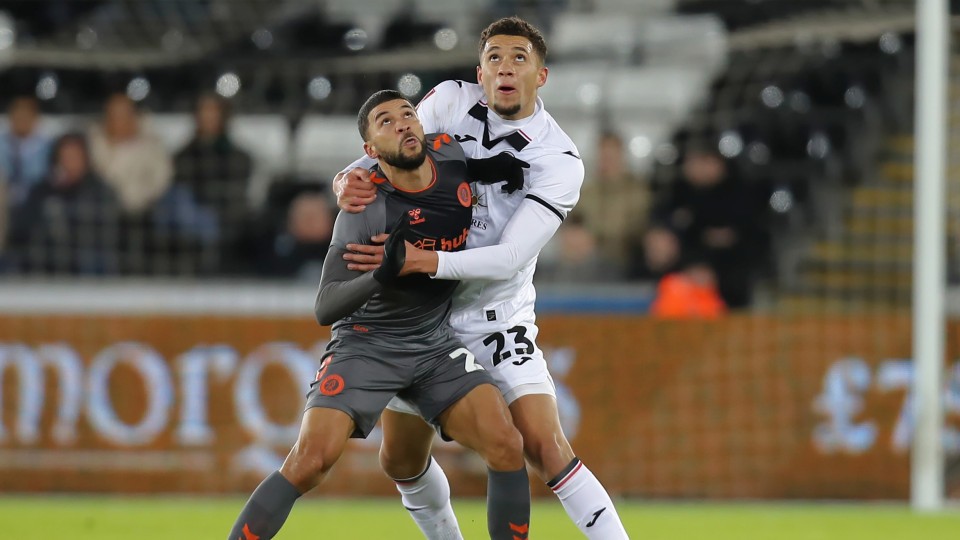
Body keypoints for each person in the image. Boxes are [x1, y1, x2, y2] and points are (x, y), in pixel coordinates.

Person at [335, 17, 629, 540]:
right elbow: (379, 156)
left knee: (543, 445)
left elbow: (511, 255)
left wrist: (427, 261)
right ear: (480, 72)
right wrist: (346, 178)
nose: (506, 67)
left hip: (495, 315)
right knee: (400, 461)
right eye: (495, 57)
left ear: (542, 76)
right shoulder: (449, 101)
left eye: (519, 58)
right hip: (424, 318)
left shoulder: (557, 159)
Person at [227, 90, 532, 540]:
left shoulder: (448, 151)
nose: (403, 124)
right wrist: (382, 274)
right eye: (385, 122)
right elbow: (325, 306)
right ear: (370, 152)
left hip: (433, 343)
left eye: (407, 114)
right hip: (367, 343)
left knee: (507, 445)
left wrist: (493, 169)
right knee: (310, 462)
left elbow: (464, 169)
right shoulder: (365, 208)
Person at [7, 133, 121, 274]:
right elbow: (23, 227)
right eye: (65, 158)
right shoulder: (43, 189)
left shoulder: (101, 190)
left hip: (87, 260)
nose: (70, 163)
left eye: (75, 157)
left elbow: (107, 232)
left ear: (86, 159)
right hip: (48, 259)